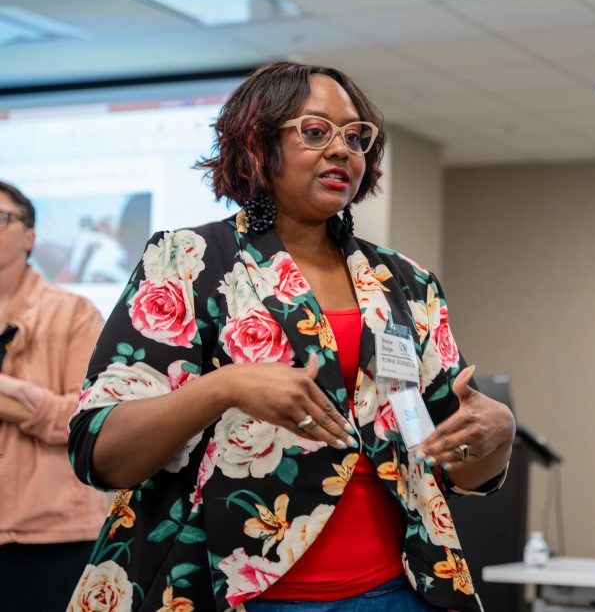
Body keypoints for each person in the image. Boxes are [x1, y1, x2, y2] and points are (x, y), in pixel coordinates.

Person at [65, 62, 516, 612]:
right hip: (229, 590)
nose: (342, 149)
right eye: (314, 130)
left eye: (356, 136)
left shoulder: (404, 281)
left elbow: (453, 458)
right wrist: (224, 387)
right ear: (257, 144)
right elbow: (100, 452)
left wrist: (498, 435)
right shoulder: (188, 261)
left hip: (399, 590)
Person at [0, 180, 108, 611]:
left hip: (53, 535)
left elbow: (86, 419)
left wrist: (18, 404)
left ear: (30, 237)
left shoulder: (74, 312)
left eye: (0, 218)